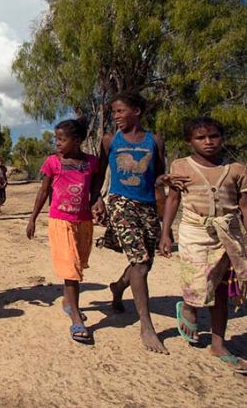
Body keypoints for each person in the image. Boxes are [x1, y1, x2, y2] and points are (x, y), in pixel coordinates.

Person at [159, 117, 247, 375]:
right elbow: (172, 200)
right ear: (189, 141)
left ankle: (219, 344)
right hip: (195, 232)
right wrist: (166, 233)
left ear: (222, 138)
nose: (208, 142)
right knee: (196, 281)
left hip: (227, 235)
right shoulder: (181, 166)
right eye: (200, 138)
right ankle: (188, 307)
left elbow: (246, 207)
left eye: (214, 136)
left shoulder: (236, 169)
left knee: (221, 289)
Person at [91, 91, 186, 354]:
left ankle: (118, 287)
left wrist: (165, 225)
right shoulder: (110, 141)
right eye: (114, 112)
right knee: (141, 262)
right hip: (121, 203)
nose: (116, 117)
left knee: (143, 263)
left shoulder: (154, 140)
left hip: (147, 207)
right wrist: (96, 198)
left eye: (120, 111)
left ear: (137, 111)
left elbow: (157, 180)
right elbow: (99, 173)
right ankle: (147, 327)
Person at [26, 120, 103, 343]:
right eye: (56, 138)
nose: (57, 143)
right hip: (60, 221)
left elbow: (95, 188)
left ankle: (68, 302)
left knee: (78, 263)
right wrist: (32, 219)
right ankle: (77, 319)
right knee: (71, 269)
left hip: (84, 222)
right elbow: (43, 191)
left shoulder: (91, 162)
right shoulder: (53, 162)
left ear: (77, 141)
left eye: (62, 139)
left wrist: (98, 202)